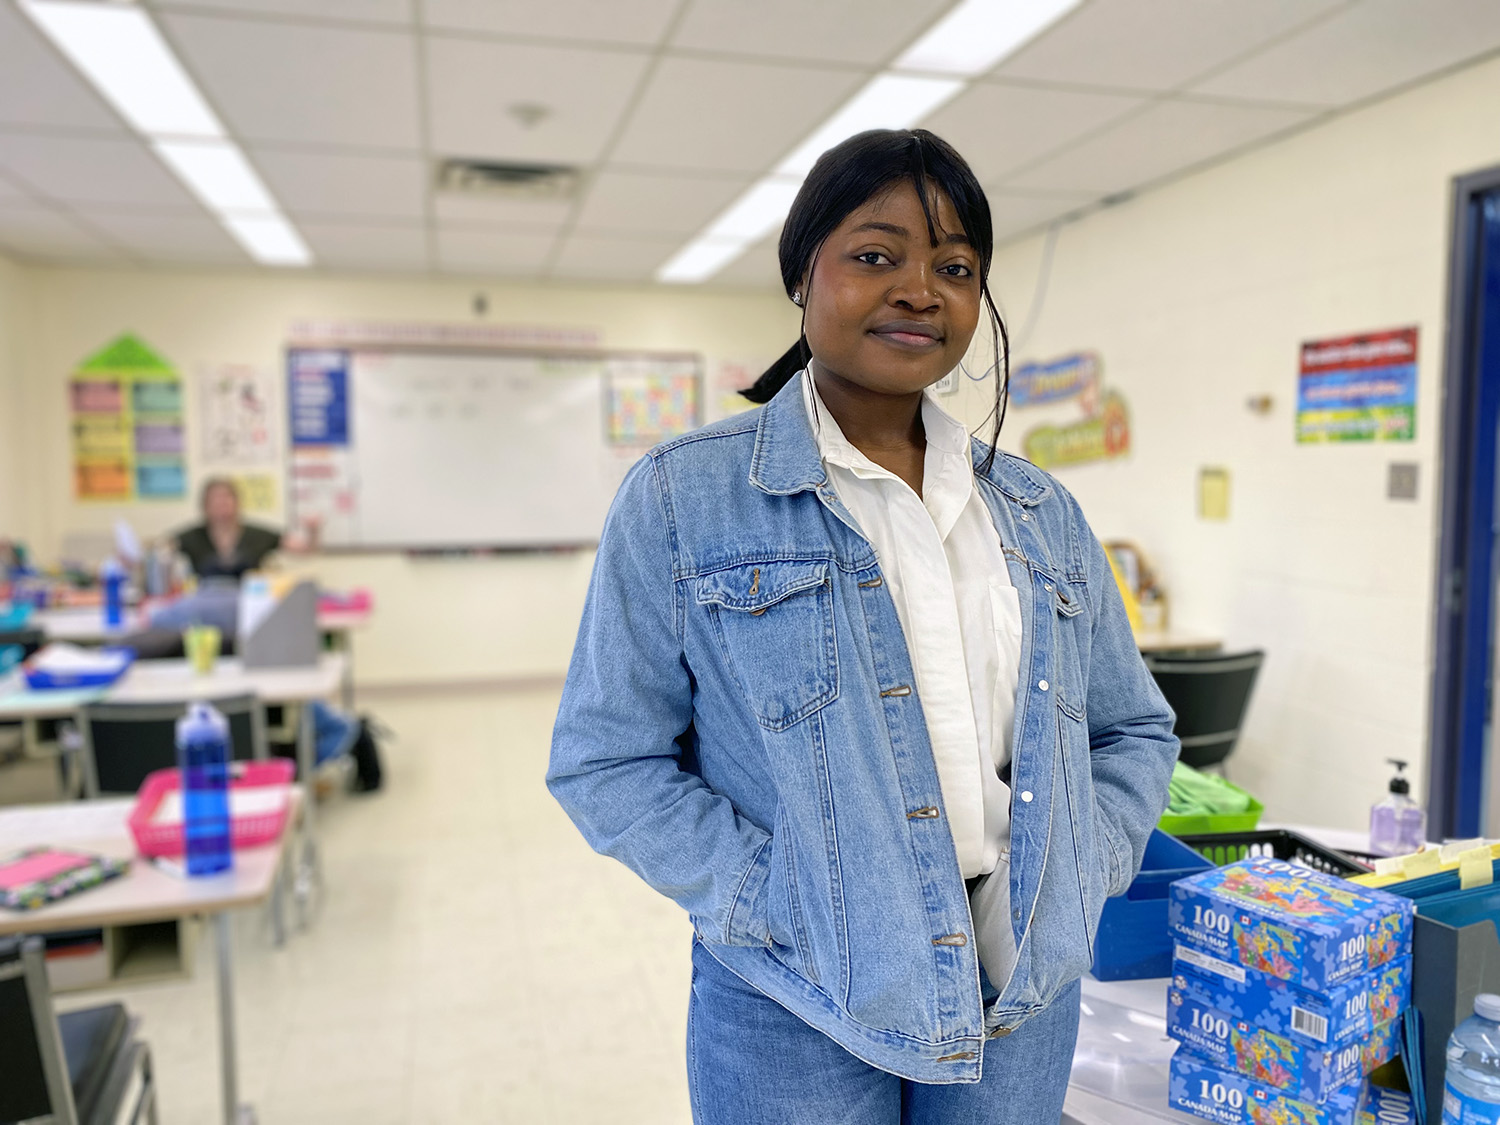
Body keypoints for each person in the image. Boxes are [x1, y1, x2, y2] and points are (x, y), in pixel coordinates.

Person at [547, 129, 1178, 1124]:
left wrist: (1079, 872)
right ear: (805, 277)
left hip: (1019, 986)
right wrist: (777, 900)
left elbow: (1133, 731)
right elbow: (605, 759)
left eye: (956, 266)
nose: (921, 289)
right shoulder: (686, 496)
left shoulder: (1039, 511)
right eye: (876, 255)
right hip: (796, 998)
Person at [172, 476, 309, 581]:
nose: (222, 504)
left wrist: (314, 530)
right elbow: (159, 549)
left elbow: (304, 549)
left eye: (226, 498)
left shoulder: (257, 535)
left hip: (250, 602)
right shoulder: (192, 537)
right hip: (204, 606)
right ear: (205, 505)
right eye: (215, 499)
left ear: (237, 502)